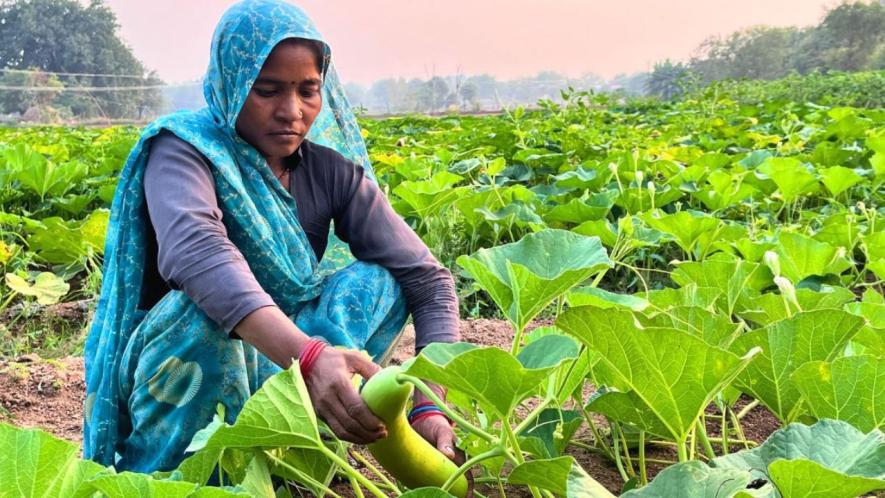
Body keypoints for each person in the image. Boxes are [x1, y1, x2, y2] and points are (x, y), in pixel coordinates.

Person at [83, 0, 461, 473]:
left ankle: (300, 441)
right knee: (200, 315)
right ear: (232, 82)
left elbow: (428, 280)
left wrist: (431, 402)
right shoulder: (183, 151)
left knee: (379, 282)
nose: (292, 111)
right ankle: (177, 472)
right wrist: (308, 356)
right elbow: (197, 252)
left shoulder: (332, 173)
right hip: (186, 366)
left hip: (286, 365)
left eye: (309, 90)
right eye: (267, 90)